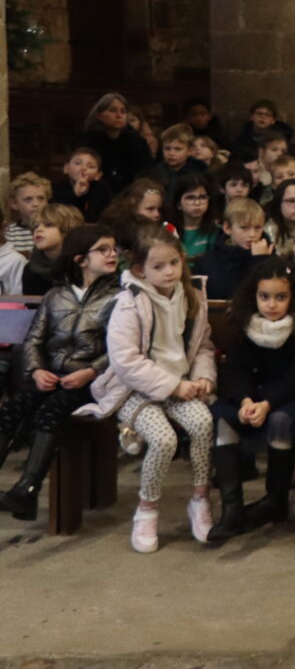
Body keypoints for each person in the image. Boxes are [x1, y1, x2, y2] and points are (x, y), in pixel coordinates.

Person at [81, 227, 216, 552]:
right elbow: (125, 362)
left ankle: (200, 499)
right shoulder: (129, 303)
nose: (169, 271)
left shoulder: (192, 296)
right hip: (133, 391)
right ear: (140, 270)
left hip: (180, 387)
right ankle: (147, 508)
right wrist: (174, 385)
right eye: (159, 266)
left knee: (203, 423)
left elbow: (203, 346)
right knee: (164, 439)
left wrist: (203, 377)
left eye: (174, 263)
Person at [0, 225, 119, 519]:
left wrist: (90, 371)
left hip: (91, 381)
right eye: (103, 249)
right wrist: (37, 370)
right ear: (80, 259)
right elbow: (34, 340)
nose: (112, 254)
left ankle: (27, 489)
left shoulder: (119, 298)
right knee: (12, 409)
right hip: (52, 375)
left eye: (114, 248)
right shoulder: (56, 295)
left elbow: (120, 348)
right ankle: (23, 494)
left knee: (50, 411)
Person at [207, 258, 295, 541]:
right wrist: (246, 401)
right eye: (265, 297)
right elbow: (235, 370)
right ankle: (232, 508)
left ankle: (275, 499)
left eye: (280, 297)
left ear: (293, 297)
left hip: (294, 396)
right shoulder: (245, 323)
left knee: (281, 420)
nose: (272, 304)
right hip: (254, 395)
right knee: (223, 417)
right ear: (254, 296)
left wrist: (267, 403)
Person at [77, 93, 154, 195]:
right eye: (112, 110)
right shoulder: (87, 142)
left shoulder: (137, 142)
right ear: (99, 115)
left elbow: (145, 174)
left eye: (123, 111)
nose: (119, 116)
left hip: (131, 195)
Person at [22, 203, 83, 296]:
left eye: (48, 225)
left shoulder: (83, 265)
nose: (38, 230)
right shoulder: (30, 269)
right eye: (36, 226)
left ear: (68, 230)